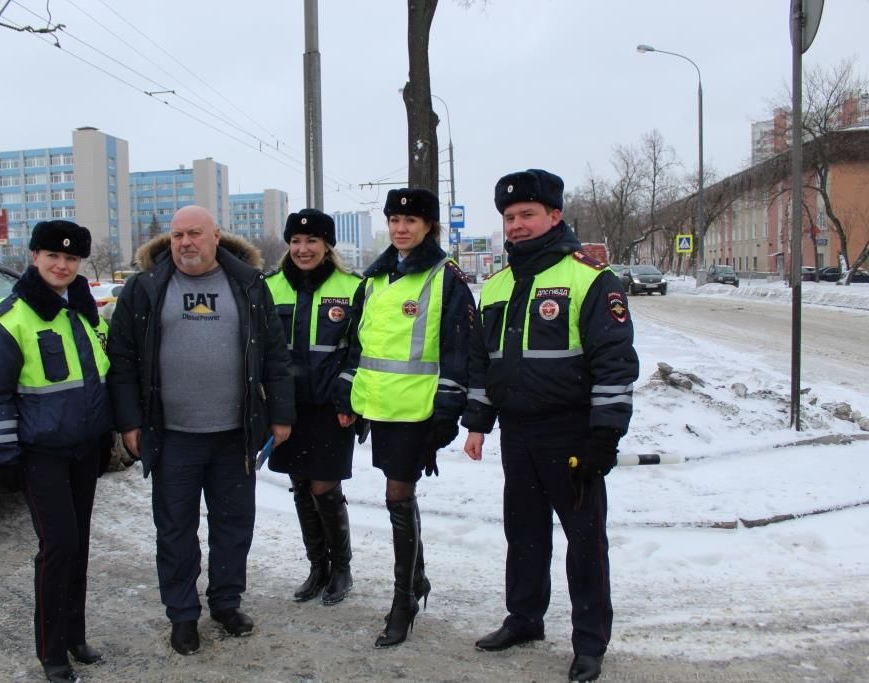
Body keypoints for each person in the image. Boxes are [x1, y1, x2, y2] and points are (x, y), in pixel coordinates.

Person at [461, 169, 639, 683]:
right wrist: (478, 423)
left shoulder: (590, 277)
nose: (516, 225)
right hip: (517, 433)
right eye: (509, 217)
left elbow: (615, 364)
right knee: (525, 534)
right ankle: (524, 619)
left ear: (554, 216)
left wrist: (604, 435)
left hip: (572, 432)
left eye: (527, 215)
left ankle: (589, 643)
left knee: (584, 541)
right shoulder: (495, 285)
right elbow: (483, 362)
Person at [106, 205, 294, 657]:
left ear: (215, 237)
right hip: (172, 437)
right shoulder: (146, 288)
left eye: (194, 233)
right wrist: (130, 422)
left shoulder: (248, 285)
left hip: (235, 434)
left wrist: (281, 414)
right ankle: (183, 614)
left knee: (233, 525)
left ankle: (226, 603)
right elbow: (123, 360)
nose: (185, 242)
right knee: (175, 529)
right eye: (176, 235)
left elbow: (274, 354)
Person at [0, 220, 113, 683]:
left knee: (79, 545)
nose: (62, 264)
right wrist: (4, 457)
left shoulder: (85, 310)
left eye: (71, 259)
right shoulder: (11, 316)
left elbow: (97, 378)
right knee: (59, 547)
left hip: (84, 451)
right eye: (53, 256)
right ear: (34, 257)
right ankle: (52, 654)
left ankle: (75, 636)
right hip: (41, 454)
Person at [334, 188, 477, 648]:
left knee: (398, 496)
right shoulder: (375, 278)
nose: (401, 228)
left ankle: (403, 602)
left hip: (417, 410)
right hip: (376, 405)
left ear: (429, 227)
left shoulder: (444, 277)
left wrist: (447, 410)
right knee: (395, 496)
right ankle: (417, 580)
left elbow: (460, 352)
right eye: (395, 219)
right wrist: (347, 396)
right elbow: (359, 345)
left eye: (411, 221)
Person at [265, 209, 363, 606]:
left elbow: (361, 350)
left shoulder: (353, 287)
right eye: (296, 241)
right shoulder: (269, 287)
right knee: (300, 483)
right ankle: (316, 567)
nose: (303, 249)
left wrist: (348, 395)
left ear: (327, 246)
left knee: (325, 484)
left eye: (312, 242)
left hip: (330, 406)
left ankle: (341, 567)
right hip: (287, 407)